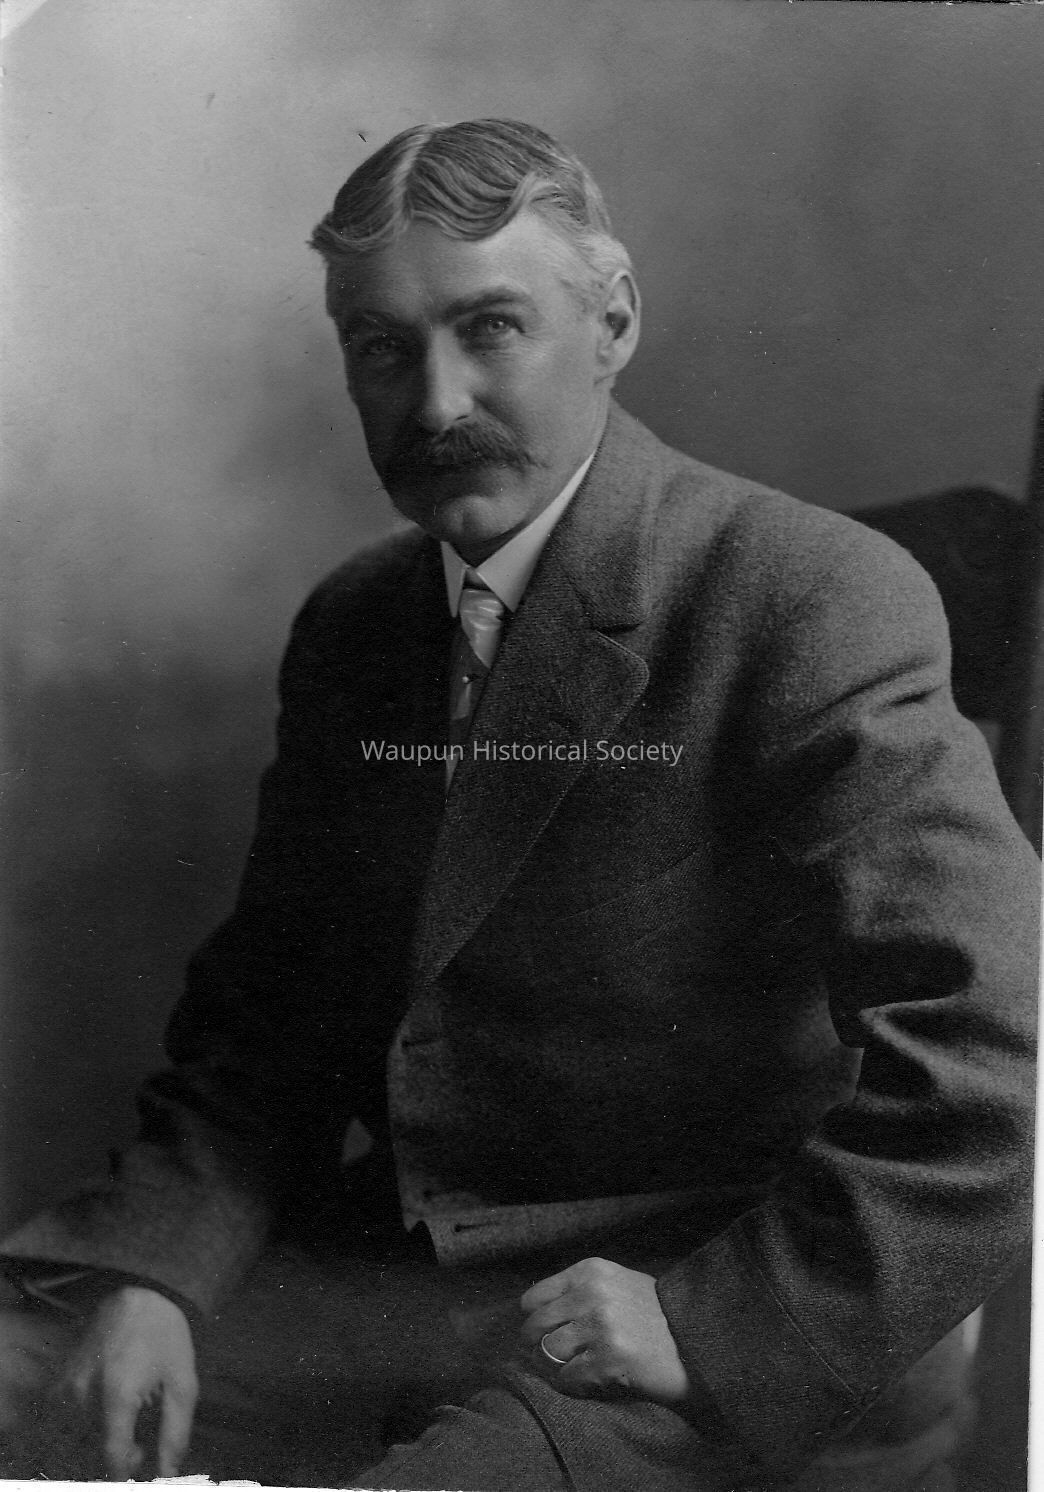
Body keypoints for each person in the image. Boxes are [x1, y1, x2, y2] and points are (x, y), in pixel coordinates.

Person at [0, 119, 1038, 1491]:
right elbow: (270, 1026)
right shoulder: (360, 621)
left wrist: (712, 1324)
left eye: (490, 327)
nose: (434, 404)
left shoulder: (804, 595)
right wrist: (155, 1273)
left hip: (687, 1326)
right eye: (382, 347)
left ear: (613, 322)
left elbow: (994, 1056)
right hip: (394, 1290)